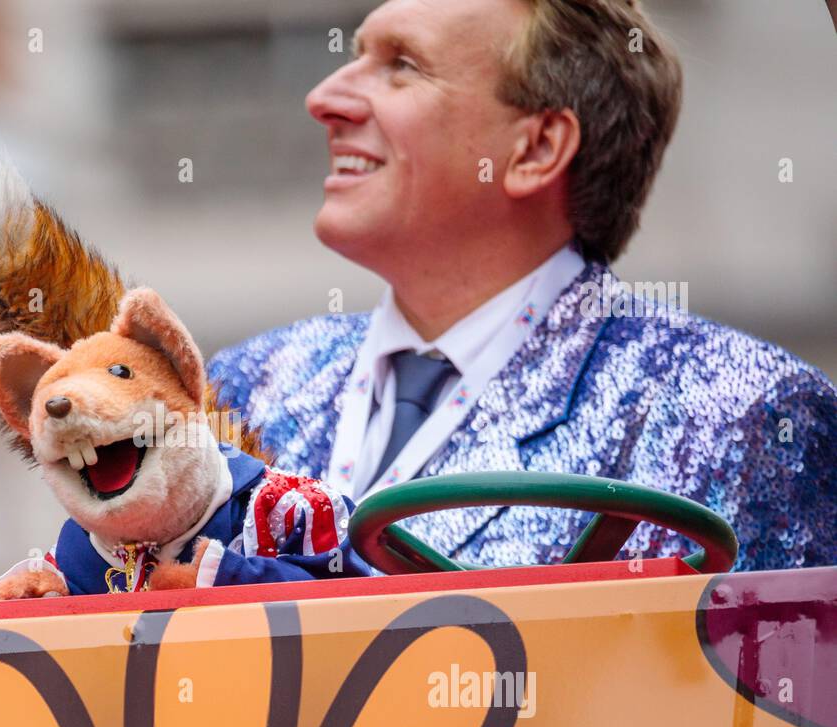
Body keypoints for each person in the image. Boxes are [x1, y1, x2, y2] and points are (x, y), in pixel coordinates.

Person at [206, 0, 837, 573]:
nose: (324, 99)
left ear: (536, 147)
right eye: (357, 57)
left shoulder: (738, 412)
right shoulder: (239, 386)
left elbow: (770, 691)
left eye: (402, 65)